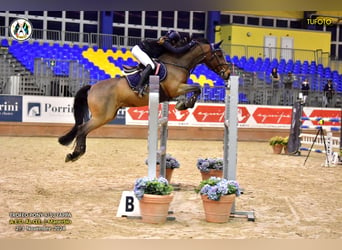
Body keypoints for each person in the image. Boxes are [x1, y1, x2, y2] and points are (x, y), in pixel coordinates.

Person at [131, 30, 196, 97]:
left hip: (142, 51)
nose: (175, 44)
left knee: (153, 65)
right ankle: (138, 87)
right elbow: (176, 51)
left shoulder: (165, 41)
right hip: (138, 50)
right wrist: (190, 45)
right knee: (151, 66)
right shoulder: (165, 42)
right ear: (173, 41)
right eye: (175, 43)